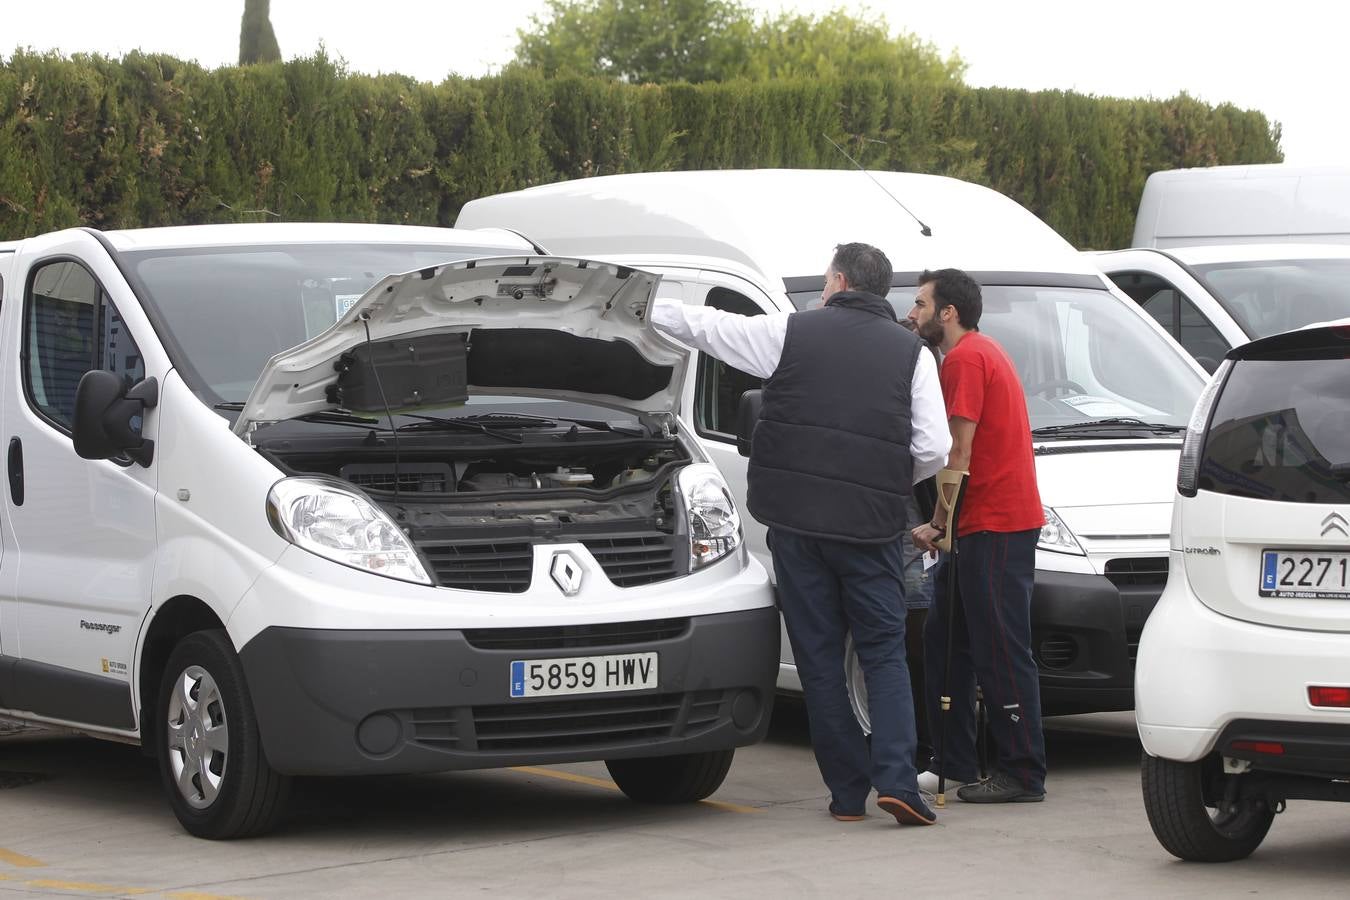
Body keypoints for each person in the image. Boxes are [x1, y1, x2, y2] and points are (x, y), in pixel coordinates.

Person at [651, 243, 950, 826]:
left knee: (817, 661)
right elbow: (934, 448)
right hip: (871, 531)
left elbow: (710, 328)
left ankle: (845, 795)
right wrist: (886, 479)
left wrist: (641, 306)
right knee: (884, 654)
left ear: (837, 281)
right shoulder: (913, 354)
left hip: (798, 527)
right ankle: (897, 782)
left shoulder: (791, 333)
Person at [908, 268, 1048, 803]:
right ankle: (955, 759)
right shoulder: (978, 352)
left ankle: (1023, 771)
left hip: (996, 523)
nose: (914, 314)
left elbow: (957, 452)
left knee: (999, 648)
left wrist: (939, 524)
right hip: (981, 523)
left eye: (921, 305)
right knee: (948, 641)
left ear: (948, 313)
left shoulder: (966, 359)